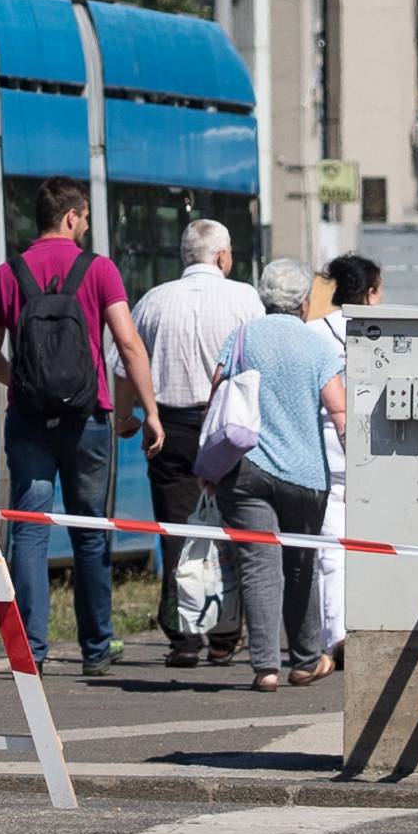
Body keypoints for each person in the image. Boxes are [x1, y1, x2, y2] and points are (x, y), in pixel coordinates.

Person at [0, 177, 164, 678]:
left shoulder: (6, 274)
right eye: (83, 219)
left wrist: (22, 382)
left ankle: (31, 650)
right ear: (71, 217)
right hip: (88, 420)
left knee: (30, 532)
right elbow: (128, 344)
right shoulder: (98, 270)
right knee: (89, 532)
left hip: (29, 421)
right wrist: (150, 411)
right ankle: (96, 647)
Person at [120, 219, 263, 669]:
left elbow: (126, 362)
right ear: (222, 257)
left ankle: (184, 638)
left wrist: (128, 417)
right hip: (228, 428)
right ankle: (224, 635)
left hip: (171, 428)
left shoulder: (153, 301)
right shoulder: (244, 298)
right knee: (232, 527)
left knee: (177, 533)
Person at [213, 256, 346, 692]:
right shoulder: (318, 345)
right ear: (305, 302)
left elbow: (216, 393)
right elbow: (339, 411)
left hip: (245, 468)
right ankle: (306, 661)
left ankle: (265, 668)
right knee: (300, 564)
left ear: (263, 296)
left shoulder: (241, 337)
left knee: (258, 566)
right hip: (305, 476)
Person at [310, 252, 382, 670]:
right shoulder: (384, 331)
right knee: (380, 544)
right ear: (369, 292)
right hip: (378, 449)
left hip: (327, 450)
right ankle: (377, 624)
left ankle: (333, 635)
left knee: (331, 550)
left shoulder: (313, 331)